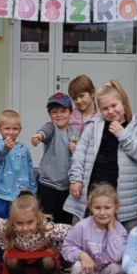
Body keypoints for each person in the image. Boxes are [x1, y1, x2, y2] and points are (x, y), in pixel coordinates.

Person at [64, 80, 137, 228]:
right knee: (85, 233)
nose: (110, 111)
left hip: (122, 201)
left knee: (120, 237)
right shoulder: (93, 126)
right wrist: (75, 179)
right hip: (92, 194)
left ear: (123, 103)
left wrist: (123, 135)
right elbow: (79, 153)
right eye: (105, 108)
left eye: (114, 106)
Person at [0, 192, 71, 274]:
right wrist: (6, 247)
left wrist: (58, 249)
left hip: (41, 255)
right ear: (13, 221)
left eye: (30, 222)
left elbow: (69, 233)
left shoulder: (45, 227)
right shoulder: (7, 227)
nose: (25, 228)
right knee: (10, 259)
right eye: (19, 223)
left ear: (37, 218)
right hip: (20, 254)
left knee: (49, 260)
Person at [61, 183, 127, 274]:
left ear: (116, 207)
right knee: (77, 266)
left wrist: (111, 230)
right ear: (91, 207)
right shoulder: (82, 226)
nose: (102, 213)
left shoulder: (120, 229)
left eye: (107, 208)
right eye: (97, 208)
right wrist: (82, 255)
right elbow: (66, 247)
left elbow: (117, 256)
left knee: (118, 268)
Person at [32, 92, 79, 225]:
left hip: (66, 187)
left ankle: (63, 239)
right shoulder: (51, 127)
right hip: (48, 185)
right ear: (50, 114)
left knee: (64, 222)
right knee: (45, 221)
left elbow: (79, 157)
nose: (59, 115)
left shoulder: (75, 133)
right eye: (54, 112)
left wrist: (76, 150)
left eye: (63, 111)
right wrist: (39, 136)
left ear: (71, 112)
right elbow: (45, 132)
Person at [0, 109, 37, 220]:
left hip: (20, 194)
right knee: (0, 221)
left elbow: (30, 168)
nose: (11, 132)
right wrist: (6, 148)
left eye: (15, 129)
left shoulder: (24, 149)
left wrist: (32, 189)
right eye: (7, 128)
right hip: (0, 193)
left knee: (19, 220)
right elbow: (0, 152)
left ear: (20, 130)